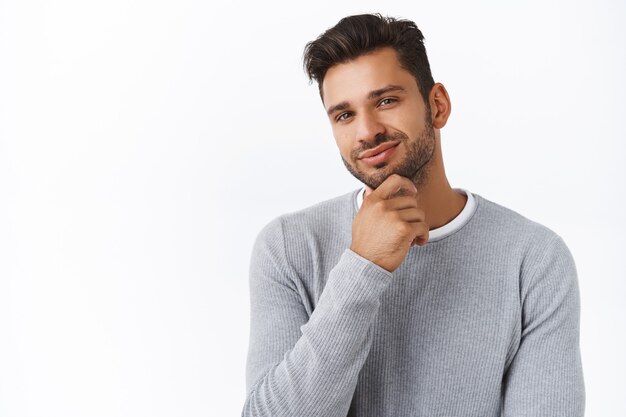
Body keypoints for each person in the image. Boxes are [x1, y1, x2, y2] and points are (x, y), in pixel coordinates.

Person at [241, 13, 585, 417]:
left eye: (386, 100)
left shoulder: (534, 259)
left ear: (437, 105)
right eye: (344, 115)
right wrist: (363, 265)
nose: (367, 131)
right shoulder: (288, 247)